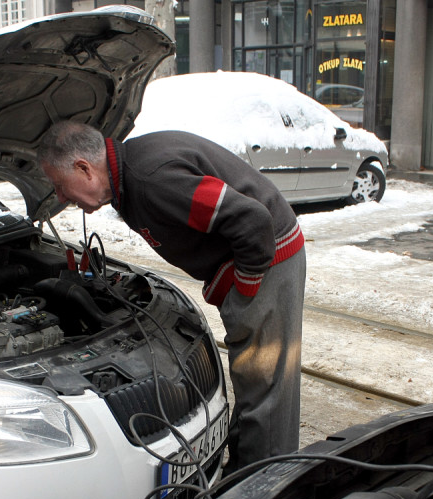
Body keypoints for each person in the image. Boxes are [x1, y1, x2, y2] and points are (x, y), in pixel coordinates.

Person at [38, 120, 305, 471]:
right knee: (254, 383)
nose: (60, 198)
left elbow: (253, 221)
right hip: (255, 261)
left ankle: (263, 494)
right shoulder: (130, 176)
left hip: (268, 259)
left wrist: (244, 286)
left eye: (60, 185)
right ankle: (245, 471)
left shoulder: (152, 179)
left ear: (84, 168)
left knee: (267, 388)